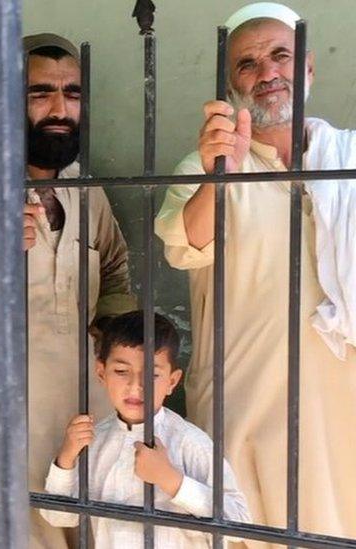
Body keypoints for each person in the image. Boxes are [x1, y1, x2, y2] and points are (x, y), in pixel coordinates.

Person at [0, 33, 136, 548]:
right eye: (40, 93)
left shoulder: (86, 189)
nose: (60, 109)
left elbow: (116, 273)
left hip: (81, 413)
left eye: (72, 93)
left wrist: (115, 334)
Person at [155, 3, 356, 540]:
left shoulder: (349, 157)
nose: (267, 73)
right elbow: (185, 245)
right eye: (247, 64)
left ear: (307, 68)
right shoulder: (203, 166)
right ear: (231, 84)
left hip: (342, 402)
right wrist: (220, 175)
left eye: (280, 56)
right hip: (246, 402)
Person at [41, 311, 251, 547]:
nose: (135, 386)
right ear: (102, 373)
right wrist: (67, 456)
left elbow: (239, 524)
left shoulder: (190, 442)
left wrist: (171, 480)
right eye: (121, 371)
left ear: (172, 381)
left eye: (151, 374)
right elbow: (59, 516)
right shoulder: (94, 440)